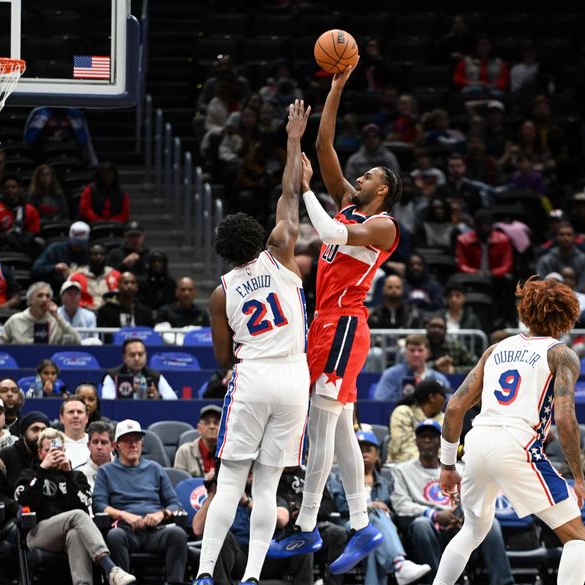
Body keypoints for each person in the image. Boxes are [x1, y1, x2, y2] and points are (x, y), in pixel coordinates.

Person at [269, 65, 402, 574]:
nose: (359, 176)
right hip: (325, 322)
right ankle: (363, 523)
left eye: (369, 176)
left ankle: (305, 528)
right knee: (341, 425)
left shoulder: (383, 226)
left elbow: (324, 232)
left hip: (345, 324)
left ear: (383, 191)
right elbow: (325, 144)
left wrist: (304, 190)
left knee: (321, 428)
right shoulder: (351, 203)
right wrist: (336, 89)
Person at [193, 100, 313, 585]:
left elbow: (224, 357)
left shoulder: (220, 292)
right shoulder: (282, 251)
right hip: (293, 376)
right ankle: (252, 577)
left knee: (228, 482)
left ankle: (205, 574)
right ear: (259, 237)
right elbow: (289, 192)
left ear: (224, 250)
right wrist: (292, 139)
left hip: (254, 374)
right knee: (267, 485)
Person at [429, 277, 585, 585]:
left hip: (478, 441)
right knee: (577, 537)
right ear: (567, 315)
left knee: (472, 530)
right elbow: (565, 417)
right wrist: (578, 477)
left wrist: (447, 465)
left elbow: (454, 407)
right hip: (517, 443)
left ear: (525, 310)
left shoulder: (495, 350)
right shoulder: (561, 354)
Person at [391, 420, 513, 585]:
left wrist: (463, 513)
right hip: (429, 526)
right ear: (416, 441)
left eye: (432, 437)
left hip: (460, 523)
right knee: (421, 525)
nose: (427, 440)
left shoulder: (459, 469)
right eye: (423, 437)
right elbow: (400, 504)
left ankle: (503, 582)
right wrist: (434, 515)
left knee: (490, 523)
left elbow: (474, 496)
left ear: (440, 442)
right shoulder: (401, 470)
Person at [15, 428, 136, 585]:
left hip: (67, 533)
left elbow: (85, 506)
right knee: (77, 516)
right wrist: (42, 470)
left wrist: (69, 474)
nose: (54, 455)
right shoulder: (29, 474)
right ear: (39, 452)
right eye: (49, 451)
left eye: (58, 450)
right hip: (38, 533)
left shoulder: (76, 476)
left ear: (64, 451)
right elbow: (24, 502)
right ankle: (110, 568)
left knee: (76, 534)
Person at [328, 431, 431, 585]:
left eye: (368, 449)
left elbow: (394, 511)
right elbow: (340, 506)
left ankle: (395, 567)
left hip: (381, 528)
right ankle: (399, 563)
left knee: (372, 537)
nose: (363, 453)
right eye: (359, 449)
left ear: (377, 456)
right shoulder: (338, 479)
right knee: (373, 518)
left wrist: (382, 511)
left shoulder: (386, 483)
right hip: (350, 525)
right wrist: (368, 508)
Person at [93, 420, 188, 580]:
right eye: (127, 441)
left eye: (136, 440)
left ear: (142, 443)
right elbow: (99, 505)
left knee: (177, 534)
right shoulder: (106, 471)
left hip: (155, 531)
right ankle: (122, 582)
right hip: (126, 531)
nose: (133, 445)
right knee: (114, 536)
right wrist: (124, 515)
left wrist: (160, 514)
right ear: (116, 445)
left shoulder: (155, 468)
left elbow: (175, 504)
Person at [0, 411, 50, 516]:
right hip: (13, 516)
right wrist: (14, 507)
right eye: (35, 429)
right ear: (23, 433)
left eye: (44, 430)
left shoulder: (51, 457)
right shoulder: (7, 455)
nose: (40, 434)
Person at [0, 281, 81, 345]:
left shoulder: (56, 321)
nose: (44, 299)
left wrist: (57, 317)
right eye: (40, 296)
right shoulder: (15, 320)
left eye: (48, 296)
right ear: (30, 300)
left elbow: (77, 342)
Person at [387, 380, 448, 465]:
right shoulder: (403, 412)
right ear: (432, 397)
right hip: (402, 464)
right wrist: (425, 463)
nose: (446, 398)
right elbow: (404, 447)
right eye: (443, 395)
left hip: (436, 467)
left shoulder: (443, 418)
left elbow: (445, 447)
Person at [374, 334, 450, 401]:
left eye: (420, 350)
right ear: (405, 352)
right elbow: (381, 401)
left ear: (428, 353)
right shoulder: (391, 375)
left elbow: (448, 401)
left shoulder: (439, 379)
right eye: (412, 350)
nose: (416, 354)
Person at [101, 338, 177, 400]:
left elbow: (173, 398)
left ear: (146, 355)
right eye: (132, 355)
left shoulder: (155, 375)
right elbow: (106, 399)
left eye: (140, 354)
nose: (137, 358)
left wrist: (158, 396)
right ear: (124, 357)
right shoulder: (112, 375)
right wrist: (128, 391)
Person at [30, 221, 91, 289]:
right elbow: (35, 270)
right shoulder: (55, 249)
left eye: (81, 243)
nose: (78, 246)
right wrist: (54, 267)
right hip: (57, 289)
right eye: (76, 243)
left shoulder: (89, 253)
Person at [536, 221, 585, 290]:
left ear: (574, 237)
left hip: (578, 297)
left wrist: (567, 297)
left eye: (569, 234)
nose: (565, 238)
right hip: (550, 297)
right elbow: (541, 284)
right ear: (556, 237)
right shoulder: (545, 261)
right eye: (562, 234)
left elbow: (583, 285)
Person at [173, 405, 222, 479]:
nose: (212, 426)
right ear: (199, 428)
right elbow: (179, 484)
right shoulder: (185, 451)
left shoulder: (230, 452)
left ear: (223, 429)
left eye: (216, 423)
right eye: (207, 423)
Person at [72, 244, 121, 309]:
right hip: (85, 313)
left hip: (110, 313)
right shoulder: (77, 276)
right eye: (95, 254)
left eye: (102, 254)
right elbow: (70, 298)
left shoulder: (116, 275)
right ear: (89, 256)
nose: (99, 257)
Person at [75, 420, 115, 490]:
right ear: (88, 445)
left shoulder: (123, 471)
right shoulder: (78, 474)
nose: (99, 447)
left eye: (104, 442)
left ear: (113, 446)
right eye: (95, 442)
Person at [59, 395, 90, 469]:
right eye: (71, 412)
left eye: (79, 412)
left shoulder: (96, 442)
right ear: (61, 418)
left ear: (87, 417)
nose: (75, 416)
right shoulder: (54, 443)